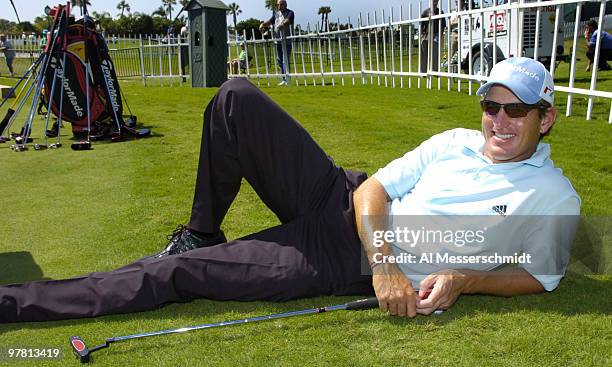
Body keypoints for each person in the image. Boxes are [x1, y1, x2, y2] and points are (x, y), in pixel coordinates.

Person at [0, 57, 580, 323]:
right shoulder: (455, 138)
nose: (498, 122)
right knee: (237, 98)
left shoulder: (555, 198)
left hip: (338, 259)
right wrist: (386, 266)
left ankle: (16, 302)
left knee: (181, 275)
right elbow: (372, 189)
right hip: (342, 199)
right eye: (491, 106)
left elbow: (542, 277)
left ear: (545, 118)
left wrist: (466, 280)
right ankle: (200, 228)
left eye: (517, 111)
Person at [259, 0, 294, 86]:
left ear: (285, 5)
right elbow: (270, 22)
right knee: (279, 60)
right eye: (278, 5)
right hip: (277, 40)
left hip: (286, 40)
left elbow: (288, 21)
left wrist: (282, 24)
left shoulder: (290, 12)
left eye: (281, 4)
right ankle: (284, 78)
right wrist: (263, 24)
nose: (279, 6)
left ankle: (287, 78)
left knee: (285, 60)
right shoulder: (276, 14)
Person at [420, 0, 446, 73]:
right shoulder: (425, 12)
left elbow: (443, 25)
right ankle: (423, 72)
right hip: (426, 35)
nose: (435, 1)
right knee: (424, 54)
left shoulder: (440, 12)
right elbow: (421, 24)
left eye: (436, 0)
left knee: (435, 54)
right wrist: (422, 34)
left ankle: (435, 71)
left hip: (436, 35)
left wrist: (440, 35)